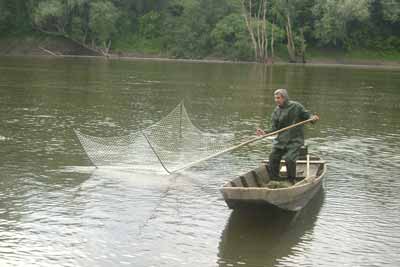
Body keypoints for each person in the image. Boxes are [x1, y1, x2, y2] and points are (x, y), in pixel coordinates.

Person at [256, 89, 319, 184]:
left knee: (289, 158)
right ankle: (275, 179)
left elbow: (308, 116)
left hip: (294, 140)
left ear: (284, 98)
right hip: (280, 141)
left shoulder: (296, 106)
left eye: (278, 98)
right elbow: (274, 129)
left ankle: (291, 180)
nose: (276, 100)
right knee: (273, 157)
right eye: (275, 98)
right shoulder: (276, 111)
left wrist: (313, 118)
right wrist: (264, 132)